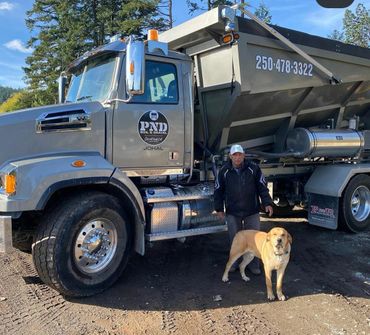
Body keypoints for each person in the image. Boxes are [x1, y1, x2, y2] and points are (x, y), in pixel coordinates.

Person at [214, 144, 273, 274]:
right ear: (230, 156)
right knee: (235, 240)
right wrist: (219, 208)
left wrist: (267, 203)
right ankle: (234, 264)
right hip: (233, 212)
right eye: (234, 155)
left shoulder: (254, 168)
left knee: (255, 239)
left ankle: (254, 266)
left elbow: (262, 187)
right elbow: (218, 190)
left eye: (240, 154)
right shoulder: (224, 171)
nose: (237, 157)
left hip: (251, 210)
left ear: (244, 155)